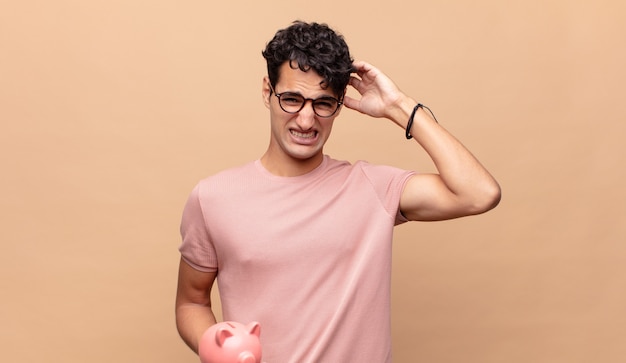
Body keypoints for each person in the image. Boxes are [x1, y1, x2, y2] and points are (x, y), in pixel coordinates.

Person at [175, 21, 501, 363]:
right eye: (291, 99)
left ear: (340, 105)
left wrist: (398, 106)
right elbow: (191, 301)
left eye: (323, 104)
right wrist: (214, 346)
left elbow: (479, 193)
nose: (305, 120)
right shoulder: (213, 198)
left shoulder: (372, 189)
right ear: (267, 92)